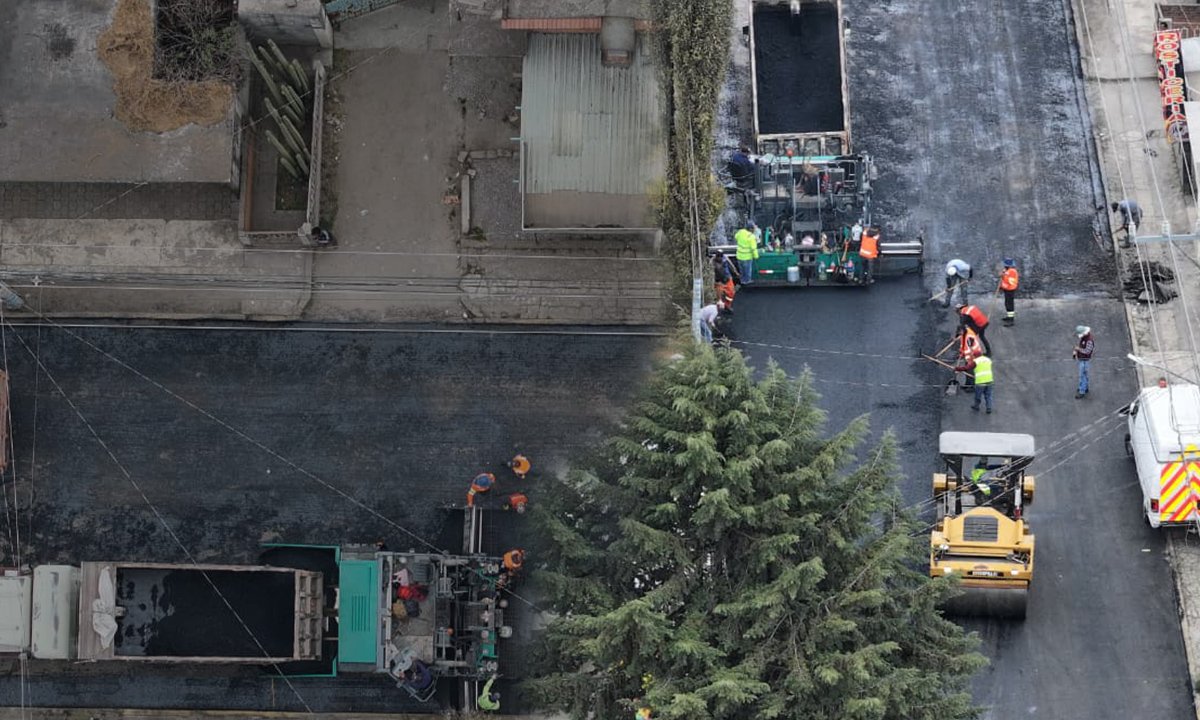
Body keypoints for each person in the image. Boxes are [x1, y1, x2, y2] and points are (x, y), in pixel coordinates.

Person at [1073, 326, 1094, 398]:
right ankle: (1085, 387)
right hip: (1082, 359)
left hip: (1085, 360)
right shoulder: (1084, 338)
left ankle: (1082, 391)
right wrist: (1076, 351)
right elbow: (1081, 346)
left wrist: (1078, 349)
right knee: (1084, 374)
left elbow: (1087, 351)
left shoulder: (1089, 341)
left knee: (1083, 375)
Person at [999, 258, 1019, 326]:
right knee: (1007, 304)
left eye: (1005, 265)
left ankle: (1011, 320)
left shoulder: (1012, 271)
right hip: (1007, 289)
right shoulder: (1007, 270)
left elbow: (1010, 281)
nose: (1004, 266)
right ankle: (1009, 317)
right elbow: (1004, 280)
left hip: (1010, 290)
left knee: (1009, 304)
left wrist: (1004, 276)